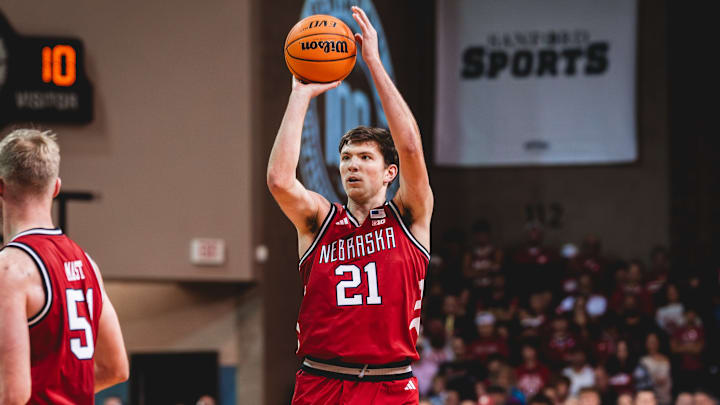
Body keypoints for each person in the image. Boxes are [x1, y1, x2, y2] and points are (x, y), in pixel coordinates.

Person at [267, 6, 433, 405]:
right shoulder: (318, 220)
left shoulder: (410, 216)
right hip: (321, 380)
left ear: (390, 171)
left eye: (364, 157)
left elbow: (409, 145)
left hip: (391, 385)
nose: (352, 164)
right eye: (345, 158)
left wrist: (373, 63)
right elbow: (279, 180)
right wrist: (299, 94)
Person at [0, 129, 128, 404]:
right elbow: (116, 369)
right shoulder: (87, 263)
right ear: (56, 187)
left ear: (1, 186)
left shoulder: (9, 270)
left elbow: (13, 394)